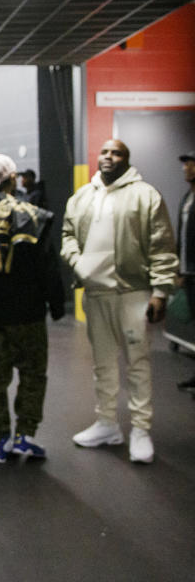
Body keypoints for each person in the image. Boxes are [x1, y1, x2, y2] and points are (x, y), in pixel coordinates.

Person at [62, 138, 178, 464]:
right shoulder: (82, 197)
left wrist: (160, 291)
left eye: (117, 153)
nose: (109, 157)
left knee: (137, 363)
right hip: (97, 295)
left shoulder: (146, 196)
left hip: (133, 293)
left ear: (127, 159)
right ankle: (107, 423)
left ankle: (140, 429)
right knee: (102, 363)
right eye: (105, 152)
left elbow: (162, 247)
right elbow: (68, 235)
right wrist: (78, 262)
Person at [0, 154, 65, 462]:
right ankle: (24, 436)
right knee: (32, 374)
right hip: (28, 315)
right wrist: (56, 305)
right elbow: (49, 267)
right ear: (12, 179)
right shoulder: (34, 216)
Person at [175, 150, 195, 392]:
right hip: (188, 273)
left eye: (191, 165)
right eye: (186, 165)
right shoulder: (186, 198)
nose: (186, 168)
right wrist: (179, 270)